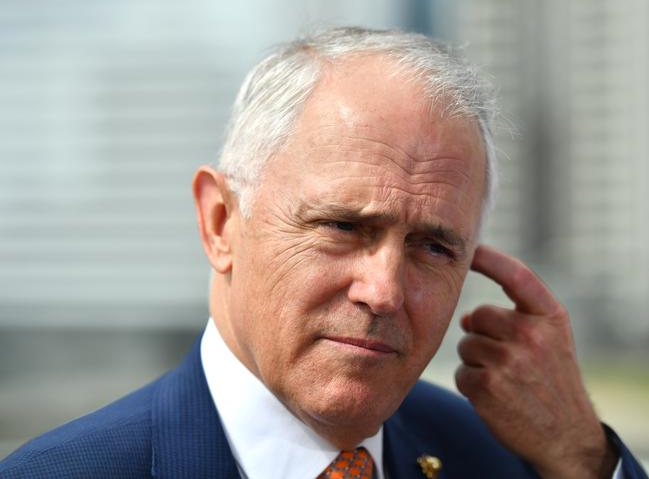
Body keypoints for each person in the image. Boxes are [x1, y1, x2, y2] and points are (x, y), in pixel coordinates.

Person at [0, 27, 646, 479]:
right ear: (221, 222)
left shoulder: (516, 459)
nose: (383, 289)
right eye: (342, 226)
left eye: (431, 245)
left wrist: (583, 457)